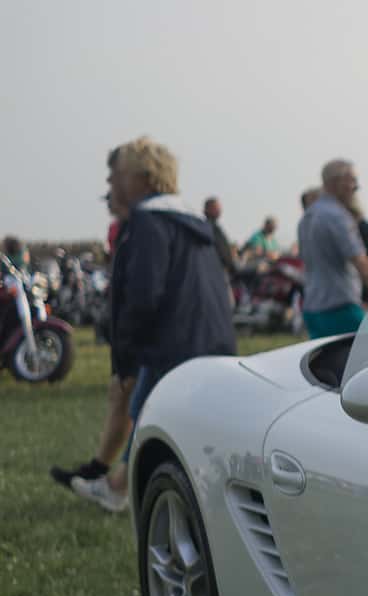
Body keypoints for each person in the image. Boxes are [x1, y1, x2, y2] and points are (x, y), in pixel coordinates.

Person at [53, 137, 235, 514]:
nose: (111, 184)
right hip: (203, 339)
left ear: (144, 178)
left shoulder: (149, 223)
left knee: (153, 417)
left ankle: (121, 487)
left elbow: (143, 295)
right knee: (143, 410)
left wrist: (126, 357)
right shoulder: (192, 222)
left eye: (116, 174)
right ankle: (115, 482)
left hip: (173, 344)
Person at [297, 158, 368, 337]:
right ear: (337, 182)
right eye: (352, 180)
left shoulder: (308, 216)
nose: (356, 186)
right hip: (339, 309)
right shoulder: (337, 216)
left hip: (313, 309)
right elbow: (362, 263)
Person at [202, 196, 237, 280]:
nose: (219, 210)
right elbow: (223, 253)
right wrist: (233, 269)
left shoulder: (210, 227)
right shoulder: (210, 228)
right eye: (216, 208)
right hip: (216, 272)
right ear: (207, 209)